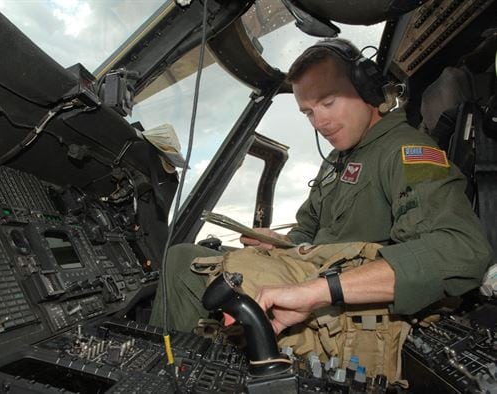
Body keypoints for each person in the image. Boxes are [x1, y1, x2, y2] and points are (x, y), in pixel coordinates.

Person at [149, 38, 493, 336]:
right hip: (314, 275)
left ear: (367, 90)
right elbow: (308, 234)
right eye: (308, 113)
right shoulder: (337, 160)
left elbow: (461, 250)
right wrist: (277, 242)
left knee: (182, 265)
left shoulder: (405, 153)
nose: (320, 122)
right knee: (185, 254)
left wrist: (321, 290)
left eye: (328, 103)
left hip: (347, 299)